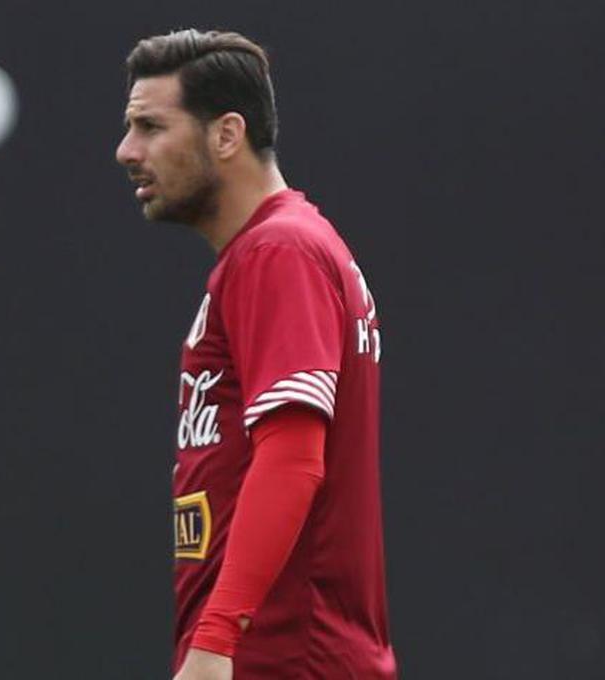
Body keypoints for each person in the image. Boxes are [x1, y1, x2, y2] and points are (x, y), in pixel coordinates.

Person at [115, 30, 396, 679]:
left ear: (226, 134)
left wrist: (215, 642)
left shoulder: (280, 251)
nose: (127, 150)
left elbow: (295, 458)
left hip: (286, 657)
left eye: (150, 126)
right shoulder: (276, 249)